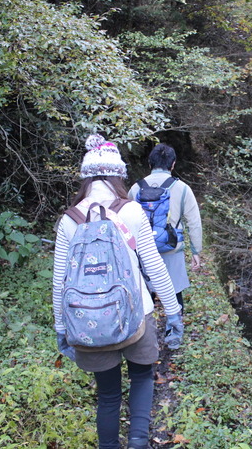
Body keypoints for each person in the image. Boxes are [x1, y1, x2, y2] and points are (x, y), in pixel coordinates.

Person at [52, 134, 183, 449]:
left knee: (108, 394)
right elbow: (154, 267)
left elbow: (59, 281)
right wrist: (174, 312)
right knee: (142, 378)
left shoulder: (69, 220)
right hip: (138, 316)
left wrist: (61, 327)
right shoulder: (131, 211)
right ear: (118, 174)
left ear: (86, 177)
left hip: (88, 322)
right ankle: (138, 441)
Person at [128, 144, 202, 312]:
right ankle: (174, 332)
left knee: (146, 296)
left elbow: (125, 221)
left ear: (150, 163)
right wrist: (196, 251)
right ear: (173, 164)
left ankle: (149, 333)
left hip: (144, 250)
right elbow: (194, 222)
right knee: (175, 294)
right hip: (171, 249)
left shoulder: (135, 188)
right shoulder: (182, 188)